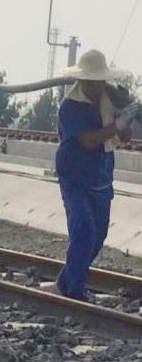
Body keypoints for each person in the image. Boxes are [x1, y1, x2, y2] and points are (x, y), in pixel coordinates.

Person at [55, 49, 139, 301]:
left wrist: (126, 121)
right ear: (82, 81)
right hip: (75, 177)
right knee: (83, 229)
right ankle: (76, 290)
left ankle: (67, 279)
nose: (96, 86)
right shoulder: (71, 106)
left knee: (98, 234)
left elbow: (123, 137)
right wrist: (116, 125)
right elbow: (88, 140)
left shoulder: (108, 102)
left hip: (101, 175)